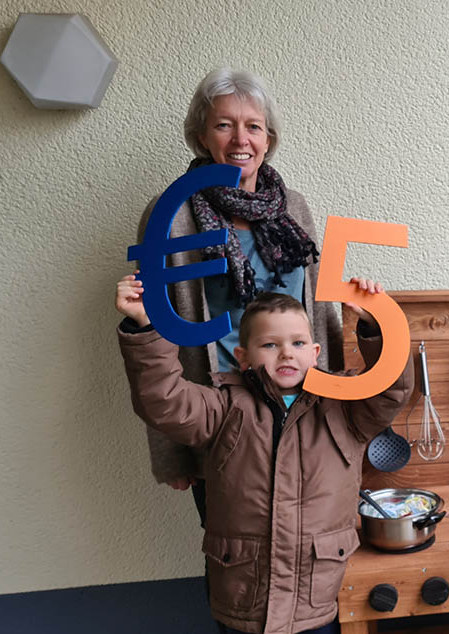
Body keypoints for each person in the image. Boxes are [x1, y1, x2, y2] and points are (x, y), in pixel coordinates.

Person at [115, 279, 414, 634]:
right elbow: (163, 400)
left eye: (297, 342)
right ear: (244, 353)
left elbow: (391, 388)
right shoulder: (223, 407)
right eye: (271, 344)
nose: (286, 353)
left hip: (316, 589)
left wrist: (371, 320)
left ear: (316, 351)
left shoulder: (344, 409)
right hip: (244, 586)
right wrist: (144, 327)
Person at [139, 67, 341, 523]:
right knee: (233, 551)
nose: (239, 140)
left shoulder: (294, 208)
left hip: (301, 406)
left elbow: (321, 311)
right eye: (224, 125)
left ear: (268, 138)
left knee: (306, 537)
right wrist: (172, 450)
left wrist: (339, 404)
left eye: (253, 126)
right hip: (219, 412)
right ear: (201, 136)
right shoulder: (171, 215)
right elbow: (155, 334)